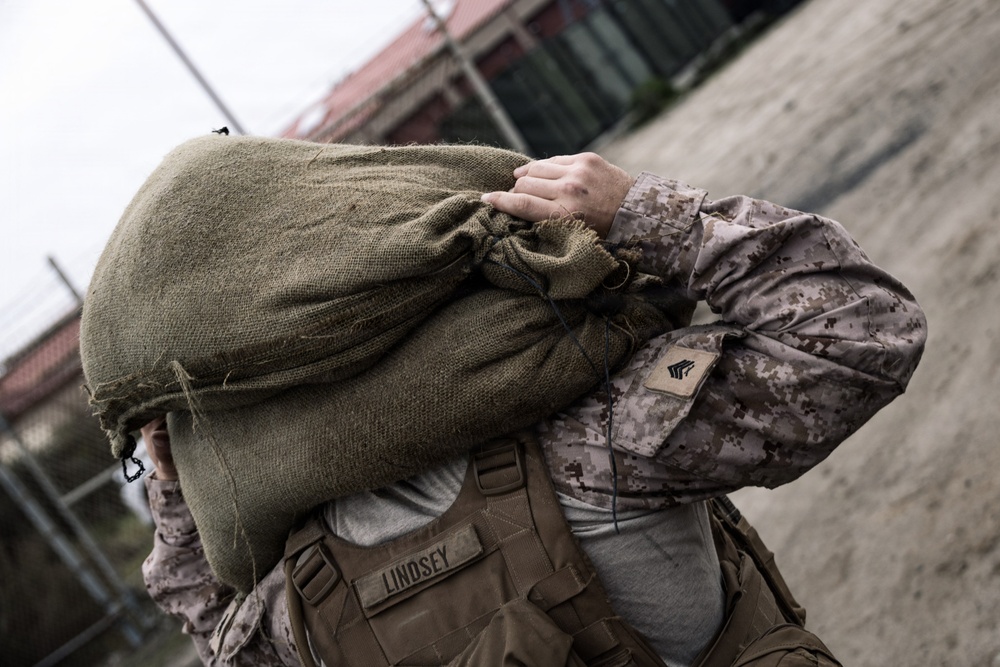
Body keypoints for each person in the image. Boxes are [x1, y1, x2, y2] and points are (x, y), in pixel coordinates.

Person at [139, 152, 926, 666]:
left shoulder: (300, 604)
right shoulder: (600, 443)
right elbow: (857, 329)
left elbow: (210, 623)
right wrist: (647, 215)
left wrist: (178, 491)